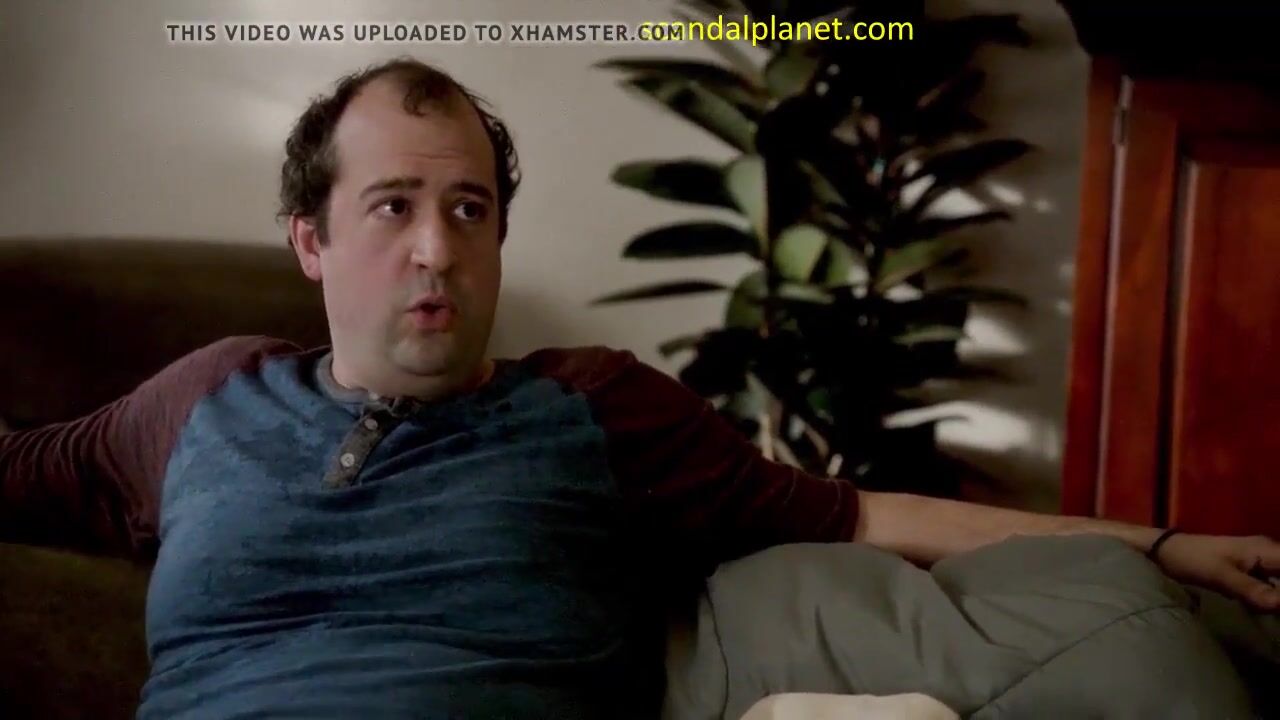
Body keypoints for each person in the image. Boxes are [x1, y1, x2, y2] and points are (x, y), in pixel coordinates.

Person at [1, 57, 1276, 719]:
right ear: (310, 240)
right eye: (391, 206)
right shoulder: (204, 402)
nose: (436, 247)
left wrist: (1160, 544)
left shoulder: (589, 408)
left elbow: (859, 515)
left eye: (469, 209)